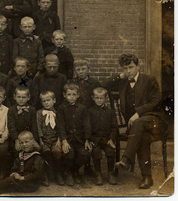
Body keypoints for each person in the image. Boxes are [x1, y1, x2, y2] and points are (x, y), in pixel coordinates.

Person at [103, 53, 167, 189]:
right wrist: (120, 76)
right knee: (141, 137)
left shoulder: (149, 80)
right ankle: (147, 177)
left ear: (138, 66)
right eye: (125, 68)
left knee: (138, 124)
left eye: (131, 67)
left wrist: (138, 113)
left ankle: (126, 159)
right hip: (136, 128)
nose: (128, 71)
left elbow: (156, 101)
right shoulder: (123, 82)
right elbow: (104, 85)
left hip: (154, 121)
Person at [56, 83, 91, 186]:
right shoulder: (61, 108)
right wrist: (64, 140)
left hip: (80, 139)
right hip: (68, 139)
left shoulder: (82, 108)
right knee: (69, 154)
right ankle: (68, 172)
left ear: (78, 95)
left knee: (85, 154)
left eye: (74, 94)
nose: (71, 97)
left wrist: (87, 139)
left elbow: (87, 124)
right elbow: (60, 125)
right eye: (69, 94)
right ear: (64, 95)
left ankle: (74, 171)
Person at [87, 87, 118, 185]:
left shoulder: (110, 112)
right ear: (93, 98)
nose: (99, 100)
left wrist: (111, 139)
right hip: (95, 139)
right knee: (96, 152)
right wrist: (89, 139)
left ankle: (110, 173)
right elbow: (88, 127)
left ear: (105, 98)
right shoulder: (90, 112)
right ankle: (98, 174)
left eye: (101, 98)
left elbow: (114, 127)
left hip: (107, 139)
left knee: (110, 152)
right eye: (97, 98)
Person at [36, 91, 63, 186]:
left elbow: (60, 127)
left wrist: (59, 140)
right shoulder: (39, 113)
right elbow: (38, 127)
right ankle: (46, 175)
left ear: (54, 100)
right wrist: (40, 140)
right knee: (46, 153)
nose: (46, 103)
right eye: (43, 101)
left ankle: (58, 174)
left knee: (57, 153)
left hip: (55, 139)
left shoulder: (58, 112)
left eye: (48, 100)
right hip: (44, 140)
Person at [8, 86, 38, 154]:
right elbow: (11, 127)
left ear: (28, 97)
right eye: (19, 97)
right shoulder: (11, 110)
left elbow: (34, 126)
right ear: (14, 97)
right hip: (17, 138)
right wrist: (16, 140)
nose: (21, 99)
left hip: (30, 138)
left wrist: (33, 140)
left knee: (35, 150)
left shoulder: (32, 110)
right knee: (17, 151)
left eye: (23, 97)